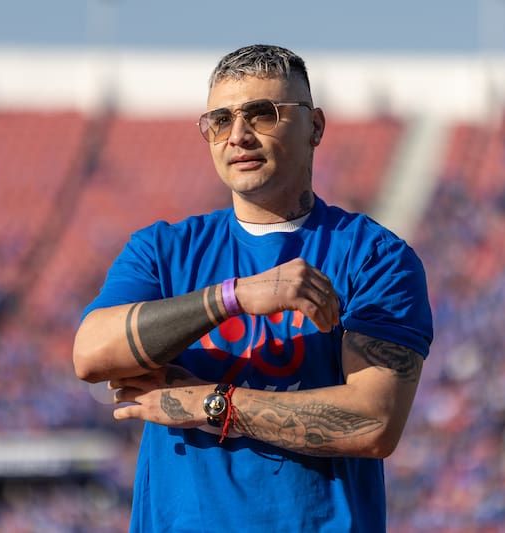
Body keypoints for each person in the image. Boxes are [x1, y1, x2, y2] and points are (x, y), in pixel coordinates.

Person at [73, 44, 433, 532]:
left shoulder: (376, 256)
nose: (238, 135)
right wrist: (235, 297)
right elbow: (90, 354)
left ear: (315, 127)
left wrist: (210, 403)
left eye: (262, 114)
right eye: (220, 120)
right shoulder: (161, 250)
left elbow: (374, 422)